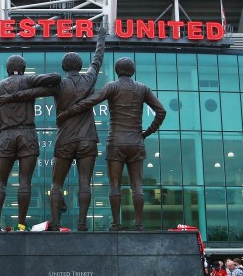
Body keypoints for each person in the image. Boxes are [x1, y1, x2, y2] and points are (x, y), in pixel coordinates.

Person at [0, 28, 106, 231]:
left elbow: (33, 92)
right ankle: (82, 224)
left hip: (65, 139)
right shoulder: (89, 78)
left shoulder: (59, 84)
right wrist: (101, 36)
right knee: (85, 182)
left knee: (56, 183)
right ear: (80, 66)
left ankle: (55, 223)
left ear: (64, 67)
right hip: (87, 139)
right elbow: (98, 58)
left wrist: (11, 96)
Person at [57, 56, 166, 231]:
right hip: (136, 142)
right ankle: (139, 224)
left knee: (115, 185)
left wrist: (68, 112)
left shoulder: (112, 87)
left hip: (116, 142)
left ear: (117, 71)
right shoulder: (143, 88)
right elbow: (161, 111)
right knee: (137, 184)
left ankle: (116, 223)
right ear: (133, 71)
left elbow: (91, 101)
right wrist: (147, 132)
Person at [0, 55, 61, 231]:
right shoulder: (28, 80)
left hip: (6, 135)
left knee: (0, 182)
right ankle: (21, 224)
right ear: (23, 68)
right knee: (25, 181)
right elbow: (56, 77)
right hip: (27, 134)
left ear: (7, 69)